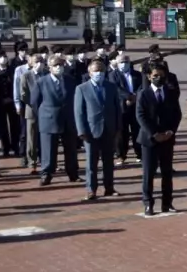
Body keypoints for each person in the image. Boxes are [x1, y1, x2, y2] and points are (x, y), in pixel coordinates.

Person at [74, 57, 123, 200]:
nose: (99, 74)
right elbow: (79, 112)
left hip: (109, 129)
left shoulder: (111, 87)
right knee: (91, 163)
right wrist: (82, 131)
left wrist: (118, 128)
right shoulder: (82, 89)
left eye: (101, 71)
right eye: (96, 71)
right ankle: (91, 189)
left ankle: (109, 187)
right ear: (90, 73)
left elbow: (117, 109)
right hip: (91, 131)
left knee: (108, 161)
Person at [136, 61, 181, 216]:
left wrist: (170, 132)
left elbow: (177, 114)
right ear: (149, 76)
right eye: (155, 75)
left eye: (161, 75)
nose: (159, 78)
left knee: (167, 173)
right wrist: (154, 134)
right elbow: (141, 116)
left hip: (167, 139)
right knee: (148, 173)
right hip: (149, 140)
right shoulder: (143, 93)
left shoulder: (170, 92)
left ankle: (167, 203)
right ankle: (148, 203)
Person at [33, 55, 81, 185]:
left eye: (60, 65)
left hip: (68, 118)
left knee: (70, 148)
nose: (58, 68)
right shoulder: (41, 82)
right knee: (48, 149)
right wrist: (44, 115)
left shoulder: (70, 80)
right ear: (49, 67)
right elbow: (35, 102)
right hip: (49, 119)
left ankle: (73, 173)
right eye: (55, 65)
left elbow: (76, 99)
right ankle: (46, 174)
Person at [110, 52, 143, 165]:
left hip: (135, 106)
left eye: (126, 62)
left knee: (137, 131)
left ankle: (139, 154)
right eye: (121, 62)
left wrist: (135, 97)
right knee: (121, 133)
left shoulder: (137, 74)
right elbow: (116, 88)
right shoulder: (113, 75)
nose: (124, 64)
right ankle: (121, 155)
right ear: (117, 64)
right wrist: (128, 96)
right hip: (121, 108)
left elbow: (141, 87)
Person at [0, 51, 20, 159]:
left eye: (4, 57)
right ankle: (6, 148)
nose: (3, 59)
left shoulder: (12, 70)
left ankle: (15, 147)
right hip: (0, 102)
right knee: (2, 126)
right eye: (0, 57)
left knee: (14, 125)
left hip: (12, 101)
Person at [19, 53, 45, 174]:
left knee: (44, 137)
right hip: (32, 110)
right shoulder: (26, 75)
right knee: (31, 138)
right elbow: (23, 93)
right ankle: (32, 162)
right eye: (36, 61)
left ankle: (45, 160)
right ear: (32, 63)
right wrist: (32, 103)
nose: (39, 64)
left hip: (45, 110)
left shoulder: (45, 75)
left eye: (41, 61)